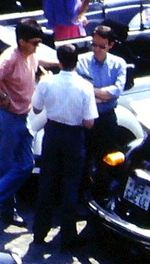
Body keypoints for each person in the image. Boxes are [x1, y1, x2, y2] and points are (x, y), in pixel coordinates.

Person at [0, 18, 45, 227]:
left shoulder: (30, 56)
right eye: (34, 42)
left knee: (26, 164)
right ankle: (4, 209)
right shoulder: (11, 58)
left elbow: (39, 64)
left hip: (22, 117)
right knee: (7, 166)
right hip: (9, 118)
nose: (37, 46)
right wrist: (3, 96)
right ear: (22, 41)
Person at [31, 43, 96, 249]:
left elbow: (36, 107)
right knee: (70, 185)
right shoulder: (85, 86)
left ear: (59, 61)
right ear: (76, 62)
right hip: (74, 136)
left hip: (53, 133)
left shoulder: (47, 82)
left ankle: (39, 232)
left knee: (47, 182)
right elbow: (89, 122)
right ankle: (68, 236)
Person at [77, 24, 130, 167]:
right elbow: (78, 89)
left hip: (106, 119)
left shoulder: (119, 64)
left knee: (106, 161)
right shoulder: (81, 61)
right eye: (94, 45)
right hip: (86, 118)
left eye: (102, 46)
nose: (96, 49)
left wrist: (91, 91)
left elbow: (116, 91)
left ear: (110, 45)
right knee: (82, 160)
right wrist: (101, 95)